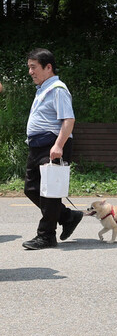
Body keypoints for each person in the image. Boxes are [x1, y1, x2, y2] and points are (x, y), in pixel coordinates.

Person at [22, 48, 83, 250]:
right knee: (31, 189)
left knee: (50, 193)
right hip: (38, 147)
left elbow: (69, 119)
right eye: (29, 67)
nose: (30, 71)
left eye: (33, 67)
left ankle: (46, 236)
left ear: (48, 67)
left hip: (52, 145)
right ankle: (67, 216)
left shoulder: (57, 88)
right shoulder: (43, 89)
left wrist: (58, 145)